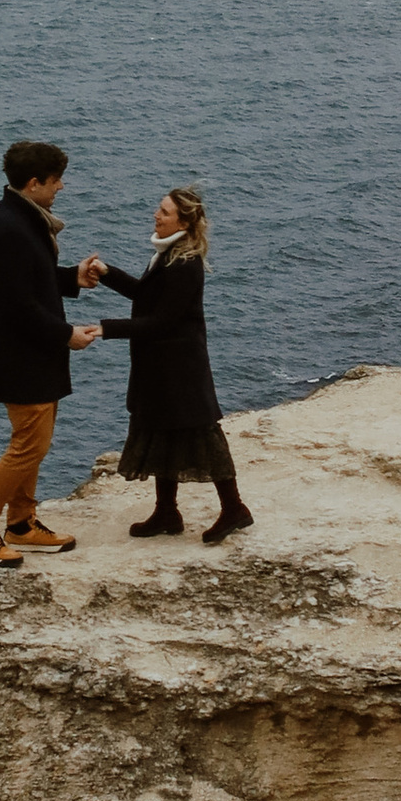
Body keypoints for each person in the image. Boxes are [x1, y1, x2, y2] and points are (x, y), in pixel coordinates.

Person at [0, 138, 103, 563]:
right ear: (35, 182)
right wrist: (66, 335)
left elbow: (31, 280)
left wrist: (71, 277)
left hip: (32, 355)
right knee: (29, 446)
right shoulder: (10, 228)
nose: (62, 188)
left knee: (33, 443)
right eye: (57, 181)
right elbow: (18, 306)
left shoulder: (21, 217)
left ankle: (20, 523)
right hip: (21, 357)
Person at [84, 182, 252, 543]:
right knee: (163, 432)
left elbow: (161, 321)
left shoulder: (185, 264)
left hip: (181, 371)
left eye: (163, 212)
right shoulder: (169, 253)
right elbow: (147, 297)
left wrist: (104, 329)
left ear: (184, 224)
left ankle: (235, 509)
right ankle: (166, 512)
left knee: (203, 437)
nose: (155, 216)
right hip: (164, 368)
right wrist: (107, 272)